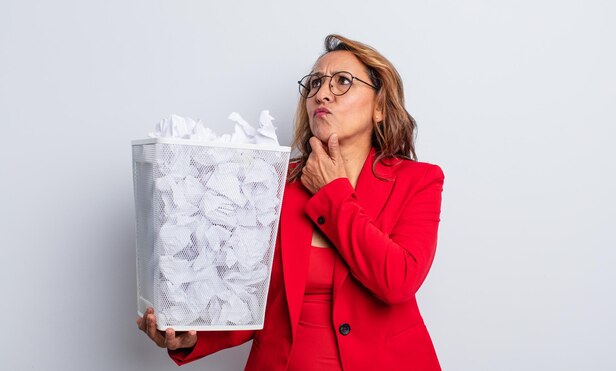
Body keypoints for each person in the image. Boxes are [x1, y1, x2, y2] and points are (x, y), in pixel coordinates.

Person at [137, 34, 444, 371]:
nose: (322, 93)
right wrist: (194, 337)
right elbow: (254, 298)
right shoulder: (270, 180)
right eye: (314, 83)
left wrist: (332, 193)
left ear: (380, 108)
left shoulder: (418, 181)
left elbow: (397, 281)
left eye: (343, 81)